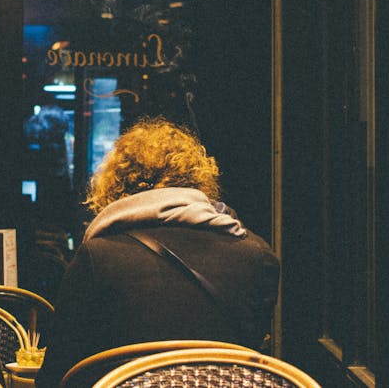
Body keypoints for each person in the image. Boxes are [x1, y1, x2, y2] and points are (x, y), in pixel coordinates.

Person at [35, 117, 280, 388]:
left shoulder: (97, 256)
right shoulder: (257, 255)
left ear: (116, 185)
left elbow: (57, 373)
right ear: (198, 181)